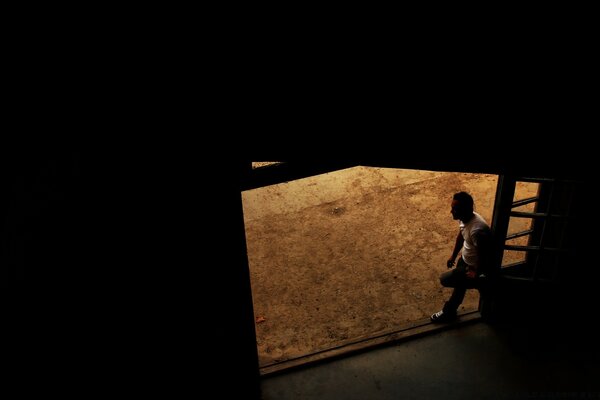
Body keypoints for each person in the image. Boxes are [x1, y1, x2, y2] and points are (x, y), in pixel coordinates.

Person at [430, 191, 492, 323]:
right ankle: (449, 312)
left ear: (464, 210)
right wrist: (453, 256)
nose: (451, 211)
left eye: (455, 209)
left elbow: (484, 255)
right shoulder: (465, 219)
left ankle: (489, 306)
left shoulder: (477, 231)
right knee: (459, 289)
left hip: (471, 267)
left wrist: (475, 272)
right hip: (464, 260)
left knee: (445, 279)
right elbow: (461, 236)